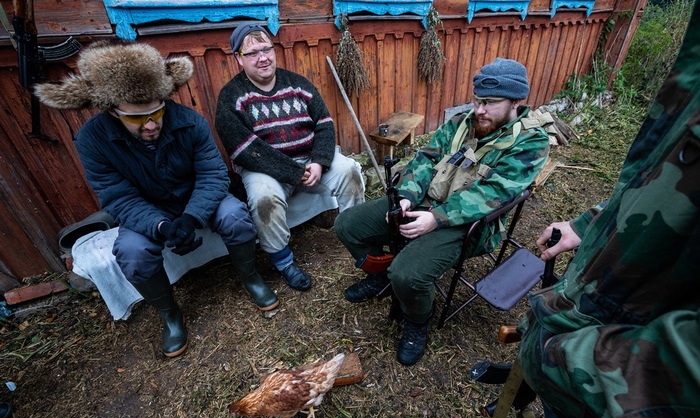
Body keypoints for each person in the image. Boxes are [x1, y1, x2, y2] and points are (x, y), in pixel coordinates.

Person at [517, 3, 700, 418]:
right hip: (589, 363)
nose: (478, 108)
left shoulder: (525, 138)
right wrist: (589, 223)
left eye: (489, 100)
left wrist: (572, 358)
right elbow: (663, 181)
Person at [35, 41, 279, 358]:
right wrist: (162, 226)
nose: (151, 125)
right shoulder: (91, 140)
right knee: (132, 252)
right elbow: (117, 196)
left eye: (156, 112)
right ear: (111, 110)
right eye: (137, 118)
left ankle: (251, 278)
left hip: (196, 201)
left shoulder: (190, 122)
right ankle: (170, 314)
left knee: (235, 215)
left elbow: (213, 174)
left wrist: (191, 218)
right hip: (148, 211)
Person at [335, 58, 551, 366]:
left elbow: (494, 194)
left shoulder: (531, 141)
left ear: (517, 101)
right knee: (348, 224)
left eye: (489, 103)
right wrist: (408, 196)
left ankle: (417, 318)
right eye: (477, 100)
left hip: (471, 225)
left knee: (408, 273)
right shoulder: (462, 122)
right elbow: (425, 158)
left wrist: (436, 219)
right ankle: (381, 276)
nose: (479, 110)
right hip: (427, 202)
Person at [214, 22, 365, 292]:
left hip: (310, 159)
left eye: (266, 49)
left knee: (350, 170)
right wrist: (293, 173)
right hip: (264, 168)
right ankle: (284, 263)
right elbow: (245, 150)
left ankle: (358, 234)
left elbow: (325, 124)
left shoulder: (298, 84)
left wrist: (319, 160)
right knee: (263, 199)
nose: (262, 58)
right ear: (238, 58)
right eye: (252, 53)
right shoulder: (231, 98)